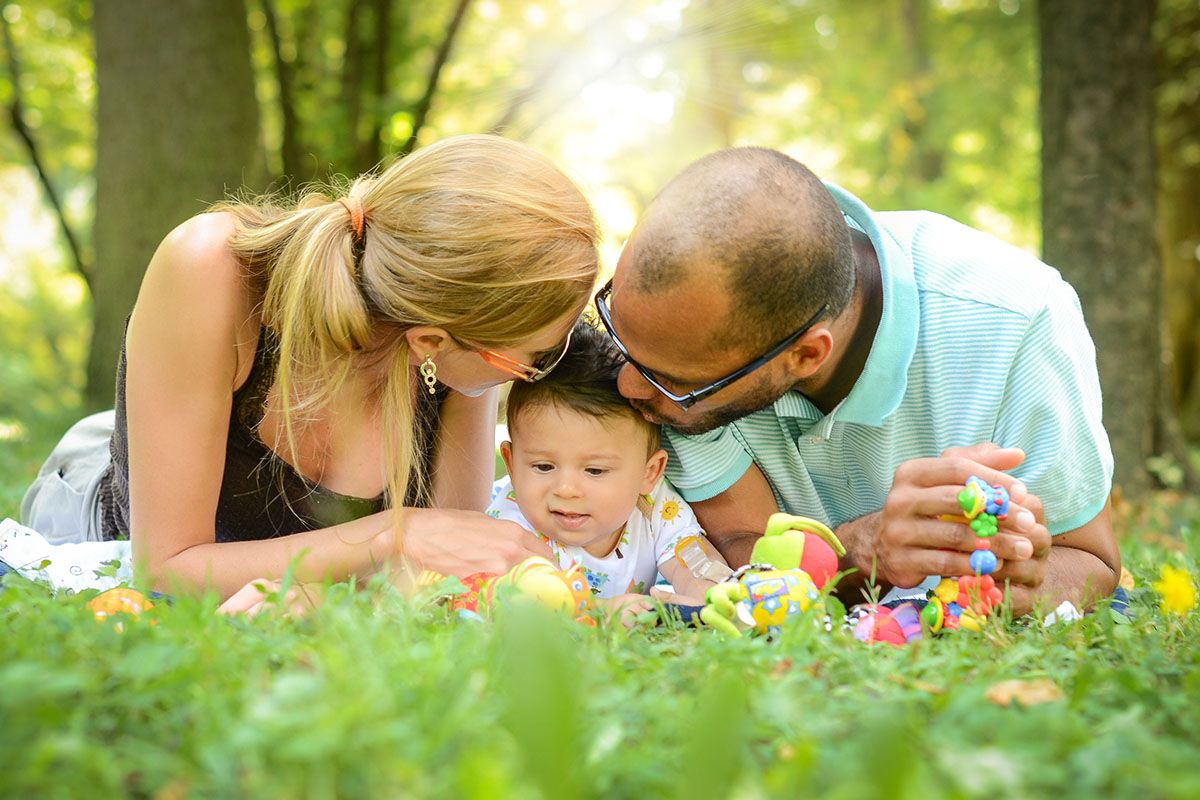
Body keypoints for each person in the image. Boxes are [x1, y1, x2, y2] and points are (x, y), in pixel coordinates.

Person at [21, 134, 600, 600]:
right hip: (108, 516)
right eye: (536, 358)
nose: (537, 372)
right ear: (430, 339)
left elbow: (442, 572)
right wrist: (393, 533)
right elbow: (164, 570)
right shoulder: (212, 274)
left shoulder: (452, 363)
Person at [594, 146, 1121, 616]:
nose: (626, 387)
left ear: (804, 355)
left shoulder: (1018, 320)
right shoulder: (687, 343)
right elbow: (738, 546)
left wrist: (1016, 580)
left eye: (671, 380)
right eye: (618, 332)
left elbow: (1091, 563)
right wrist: (860, 552)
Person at [488, 321, 730, 623]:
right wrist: (600, 614)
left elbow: (693, 559)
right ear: (511, 464)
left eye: (595, 470)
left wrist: (706, 596)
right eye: (543, 466)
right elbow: (505, 601)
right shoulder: (511, 524)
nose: (565, 489)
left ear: (649, 473)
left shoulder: (654, 507)